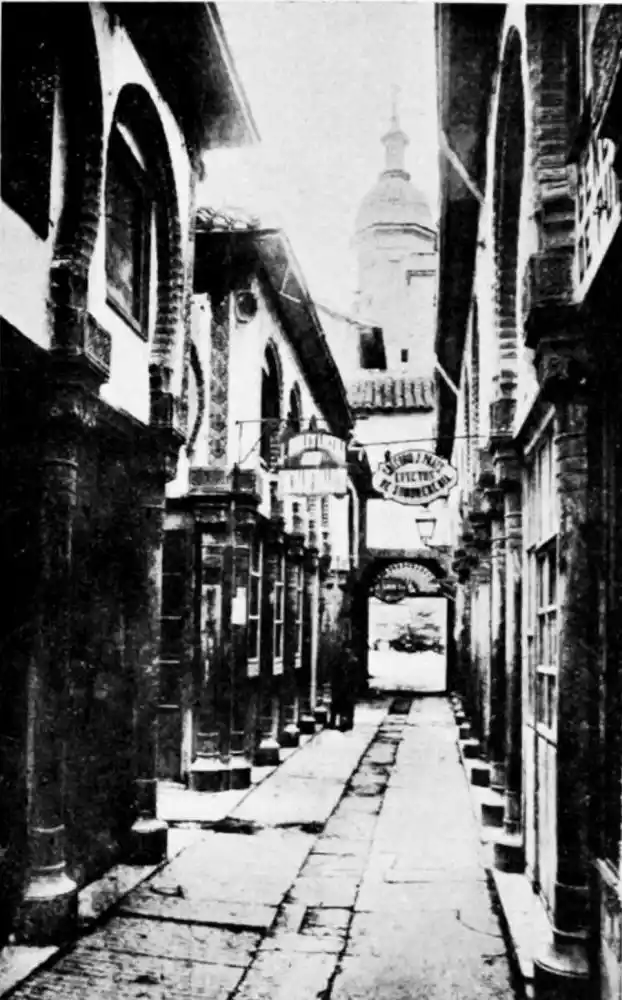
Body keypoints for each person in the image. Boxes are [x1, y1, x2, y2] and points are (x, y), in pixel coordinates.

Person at [330, 649, 358, 731]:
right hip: (339, 688)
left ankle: (347, 723)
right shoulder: (337, 665)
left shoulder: (353, 664)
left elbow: (355, 677)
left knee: (348, 706)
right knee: (336, 705)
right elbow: (334, 677)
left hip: (349, 689)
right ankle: (335, 722)